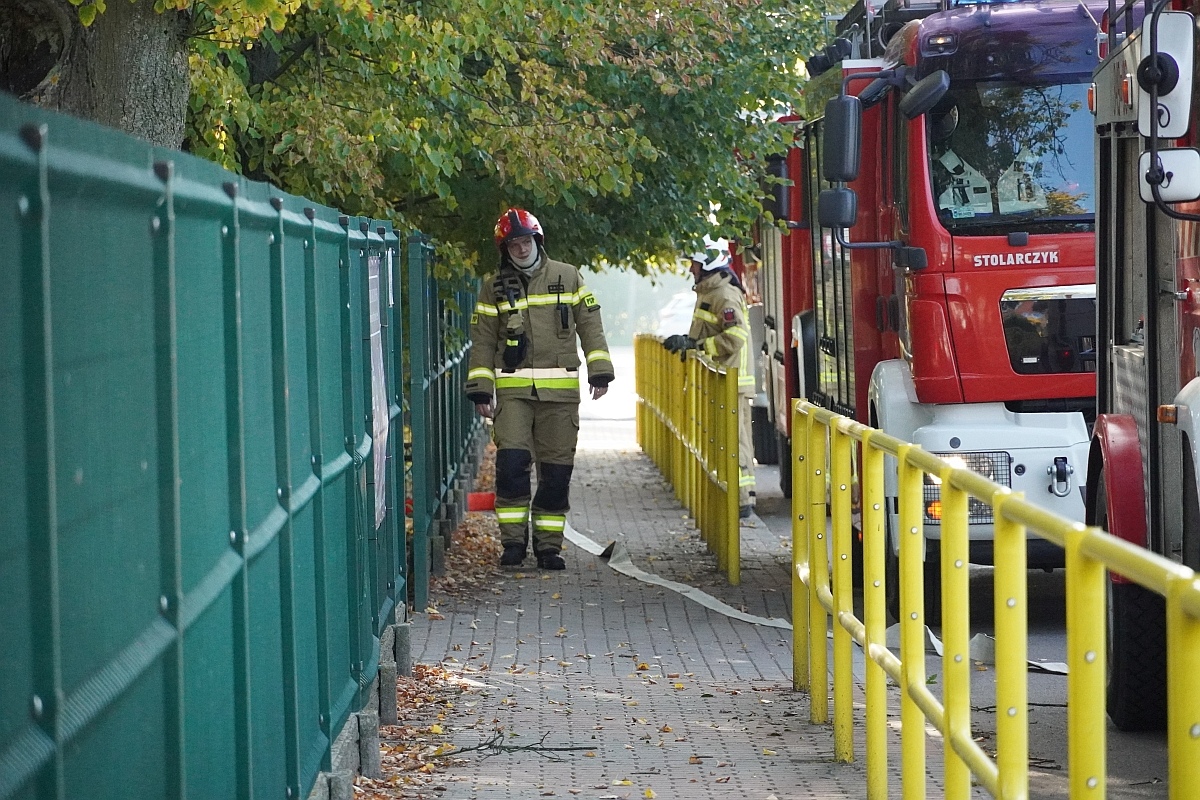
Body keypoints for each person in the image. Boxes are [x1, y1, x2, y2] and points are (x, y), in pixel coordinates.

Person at [465, 208, 615, 569]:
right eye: (513, 243)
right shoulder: (494, 287)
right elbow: (483, 340)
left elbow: (590, 326)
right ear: (505, 248)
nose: (520, 249)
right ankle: (513, 545)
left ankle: (549, 547)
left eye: (525, 241)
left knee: (556, 473)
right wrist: (481, 388)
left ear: (537, 240)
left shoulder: (568, 277)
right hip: (514, 394)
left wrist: (600, 370)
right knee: (512, 466)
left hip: (560, 397)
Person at [662, 237, 756, 518]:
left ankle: (741, 502)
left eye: (694, 263)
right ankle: (733, 497)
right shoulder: (710, 292)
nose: (690, 269)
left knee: (735, 441)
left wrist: (697, 347)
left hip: (731, 380)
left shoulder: (723, 295)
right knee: (726, 440)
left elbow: (735, 337)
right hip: (722, 378)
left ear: (708, 262)